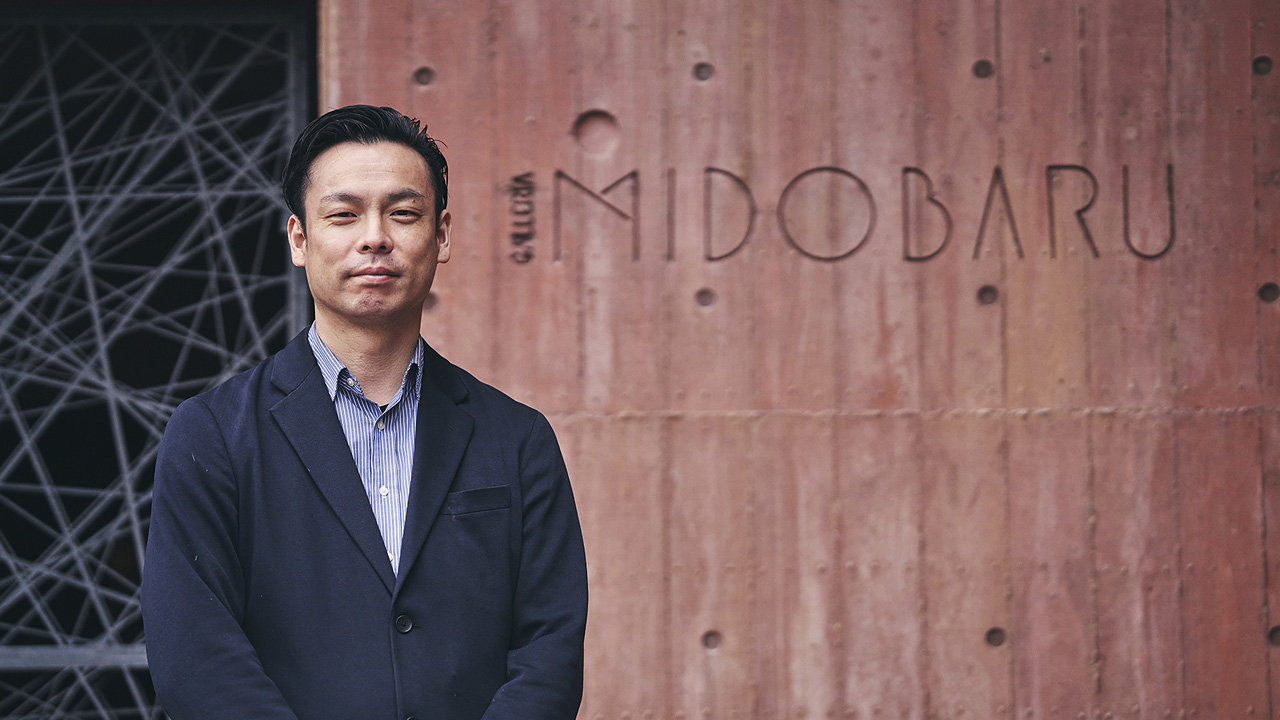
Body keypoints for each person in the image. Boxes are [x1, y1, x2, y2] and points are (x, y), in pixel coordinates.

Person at [142, 105, 588, 720]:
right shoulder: (213, 434)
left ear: (442, 235)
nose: (374, 237)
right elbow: (195, 658)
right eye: (343, 215)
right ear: (299, 239)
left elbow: (549, 653)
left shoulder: (516, 439)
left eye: (403, 213)